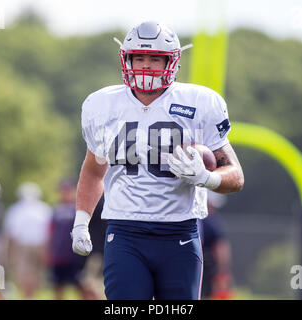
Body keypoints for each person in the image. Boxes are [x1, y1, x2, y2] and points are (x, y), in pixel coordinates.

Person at [71, 21, 244, 300]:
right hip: (125, 232)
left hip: (180, 232)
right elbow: (93, 171)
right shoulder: (102, 106)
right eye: (139, 57)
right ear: (126, 58)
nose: (146, 65)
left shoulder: (200, 103)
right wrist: (81, 221)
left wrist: (206, 178)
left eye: (155, 58)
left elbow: (236, 176)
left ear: (171, 62)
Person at [3, 182, 51, 299]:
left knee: (29, 273)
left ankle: (29, 296)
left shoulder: (16, 210)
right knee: (28, 273)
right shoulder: (44, 209)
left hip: (32, 246)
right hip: (30, 245)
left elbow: (11, 233)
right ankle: (29, 296)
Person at [199, 191, 233, 300]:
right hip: (206, 264)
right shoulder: (212, 222)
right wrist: (223, 271)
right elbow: (221, 248)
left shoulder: (198, 219)